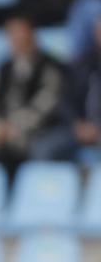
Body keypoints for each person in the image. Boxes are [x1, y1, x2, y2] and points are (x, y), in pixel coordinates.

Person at [0, 15, 67, 183]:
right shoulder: (2, 68)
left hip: (35, 133)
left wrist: (12, 127)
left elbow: (45, 106)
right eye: (11, 34)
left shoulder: (51, 67)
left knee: (14, 156)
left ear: (32, 34)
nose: (16, 39)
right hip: (2, 134)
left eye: (20, 33)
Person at [36, 11, 101, 161]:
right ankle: (55, 184)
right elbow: (65, 98)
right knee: (44, 148)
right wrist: (77, 124)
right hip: (78, 128)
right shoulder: (81, 63)